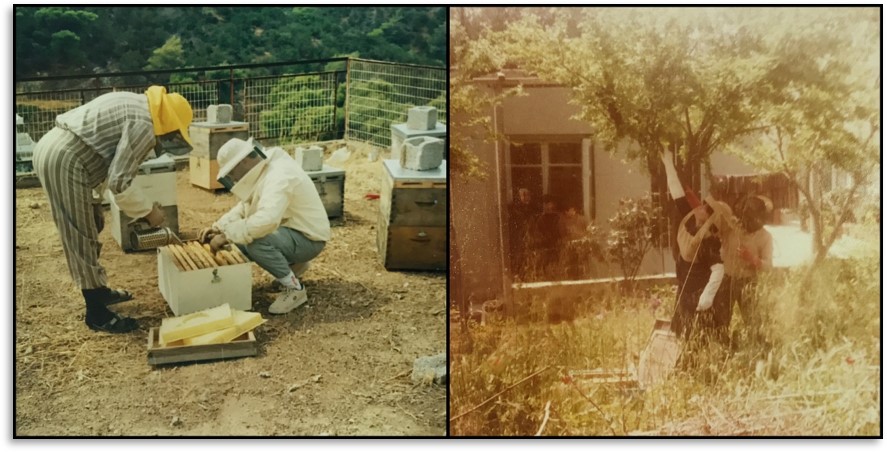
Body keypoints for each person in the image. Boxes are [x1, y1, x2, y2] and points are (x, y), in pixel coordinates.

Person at [32, 86, 194, 334]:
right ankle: (97, 314)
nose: (172, 139)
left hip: (70, 155)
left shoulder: (138, 105)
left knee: (92, 224)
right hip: (67, 159)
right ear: (169, 122)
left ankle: (99, 291)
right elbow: (119, 183)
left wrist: (139, 206)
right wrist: (150, 213)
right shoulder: (144, 123)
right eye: (174, 134)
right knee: (80, 234)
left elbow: (112, 168)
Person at [198, 138, 330, 315]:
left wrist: (227, 235)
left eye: (231, 171)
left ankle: (295, 290)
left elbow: (267, 220)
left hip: (309, 238)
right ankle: (293, 267)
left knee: (256, 241)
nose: (232, 178)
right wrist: (219, 228)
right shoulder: (264, 171)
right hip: (292, 231)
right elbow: (246, 207)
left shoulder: (279, 175)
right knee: (240, 240)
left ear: (243, 161)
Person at [660, 149, 728, 340]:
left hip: (698, 296)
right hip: (684, 290)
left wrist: (706, 298)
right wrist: (668, 164)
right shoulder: (690, 222)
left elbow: (718, 270)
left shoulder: (710, 241)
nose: (700, 207)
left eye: (705, 208)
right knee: (680, 335)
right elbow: (677, 195)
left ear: (711, 218)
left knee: (698, 339)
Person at [508, 187, 538, 279]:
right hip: (517, 237)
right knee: (518, 257)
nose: (527, 198)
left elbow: (531, 224)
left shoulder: (529, 209)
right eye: (524, 196)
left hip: (526, 237)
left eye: (528, 195)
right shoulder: (514, 210)